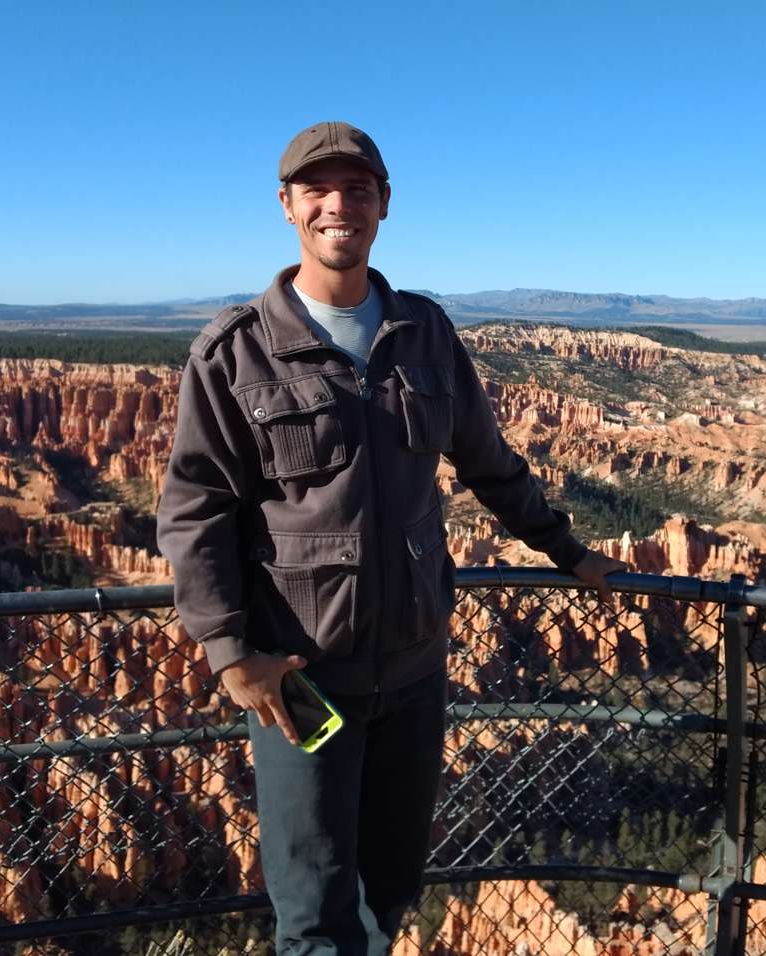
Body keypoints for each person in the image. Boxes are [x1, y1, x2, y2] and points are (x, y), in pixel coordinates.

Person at [156, 120, 627, 955]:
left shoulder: (424, 333)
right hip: (304, 678)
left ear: (384, 204)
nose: (338, 206)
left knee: (392, 886)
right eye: (318, 190)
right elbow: (197, 509)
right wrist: (229, 652)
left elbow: (490, 464)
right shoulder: (238, 352)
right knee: (316, 910)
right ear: (288, 206)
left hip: (413, 673)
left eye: (357, 189)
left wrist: (567, 550)